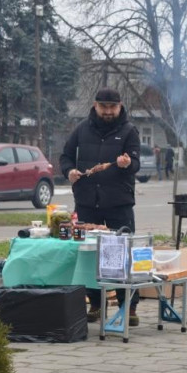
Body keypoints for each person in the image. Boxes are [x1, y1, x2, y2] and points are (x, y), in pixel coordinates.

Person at [60, 88, 143, 325]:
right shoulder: (82, 129)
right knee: (91, 256)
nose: (108, 112)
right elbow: (65, 156)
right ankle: (95, 304)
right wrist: (69, 171)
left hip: (119, 203)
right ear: (95, 105)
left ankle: (129, 307)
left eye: (112, 107)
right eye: (103, 107)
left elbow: (136, 162)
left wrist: (127, 163)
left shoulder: (129, 131)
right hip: (87, 202)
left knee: (122, 255)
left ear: (120, 106)